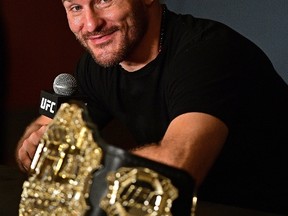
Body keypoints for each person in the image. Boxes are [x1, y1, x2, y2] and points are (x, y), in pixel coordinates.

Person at [16, 0, 288, 214]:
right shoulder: (98, 64)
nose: (91, 24)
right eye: (76, 7)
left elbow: (178, 168)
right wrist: (35, 146)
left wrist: (79, 165)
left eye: (104, 0)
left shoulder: (208, 52)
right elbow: (43, 132)